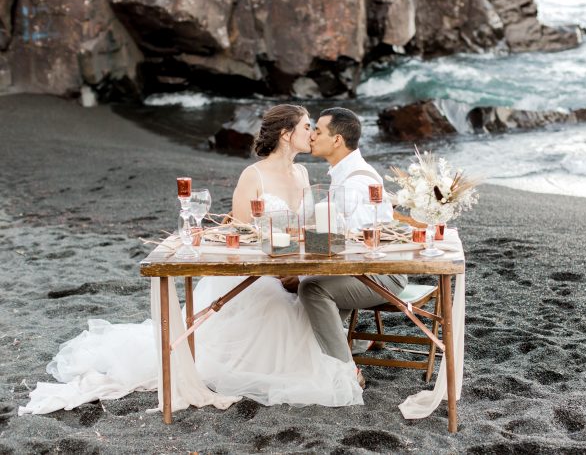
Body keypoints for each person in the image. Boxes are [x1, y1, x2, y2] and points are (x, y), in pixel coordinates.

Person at [19, 105, 363, 416]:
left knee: (308, 298)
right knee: (280, 309)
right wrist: (277, 276)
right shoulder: (253, 176)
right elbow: (243, 240)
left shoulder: (302, 175)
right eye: (307, 127)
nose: (313, 134)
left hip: (288, 267)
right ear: (287, 134)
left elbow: (301, 232)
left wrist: (298, 270)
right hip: (256, 274)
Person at [289, 107, 408, 386]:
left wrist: (300, 248)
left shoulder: (356, 183)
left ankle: (346, 373)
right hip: (362, 268)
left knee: (312, 289)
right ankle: (335, 350)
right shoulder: (345, 174)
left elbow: (349, 244)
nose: (313, 135)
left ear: (337, 140)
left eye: (318, 130)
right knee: (299, 292)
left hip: (381, 274)